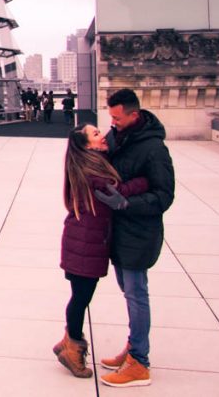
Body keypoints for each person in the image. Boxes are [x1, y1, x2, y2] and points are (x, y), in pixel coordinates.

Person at [93, 89, 175, 388]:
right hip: (119, 231)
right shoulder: (119, 137)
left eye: (117, 117)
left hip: (139, 233)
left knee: (137, 295)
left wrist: (127, 203)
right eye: (110, 117)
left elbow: (165, 195)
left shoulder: (153, 149)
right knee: (128, 293)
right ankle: (133, 347)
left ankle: (140, 362)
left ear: (134, 115)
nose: (111, 123)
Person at [55, 124, 149, 378]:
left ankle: (68, 341)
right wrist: (143, 181)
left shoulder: (90, 162)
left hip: (86, 241)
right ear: (87, 146)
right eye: (96, 134)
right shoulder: (90, 170)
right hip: (85, 243)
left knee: (80, 296)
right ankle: (72, 347)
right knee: (81, 298)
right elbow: (116, 191)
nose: (103, 136)